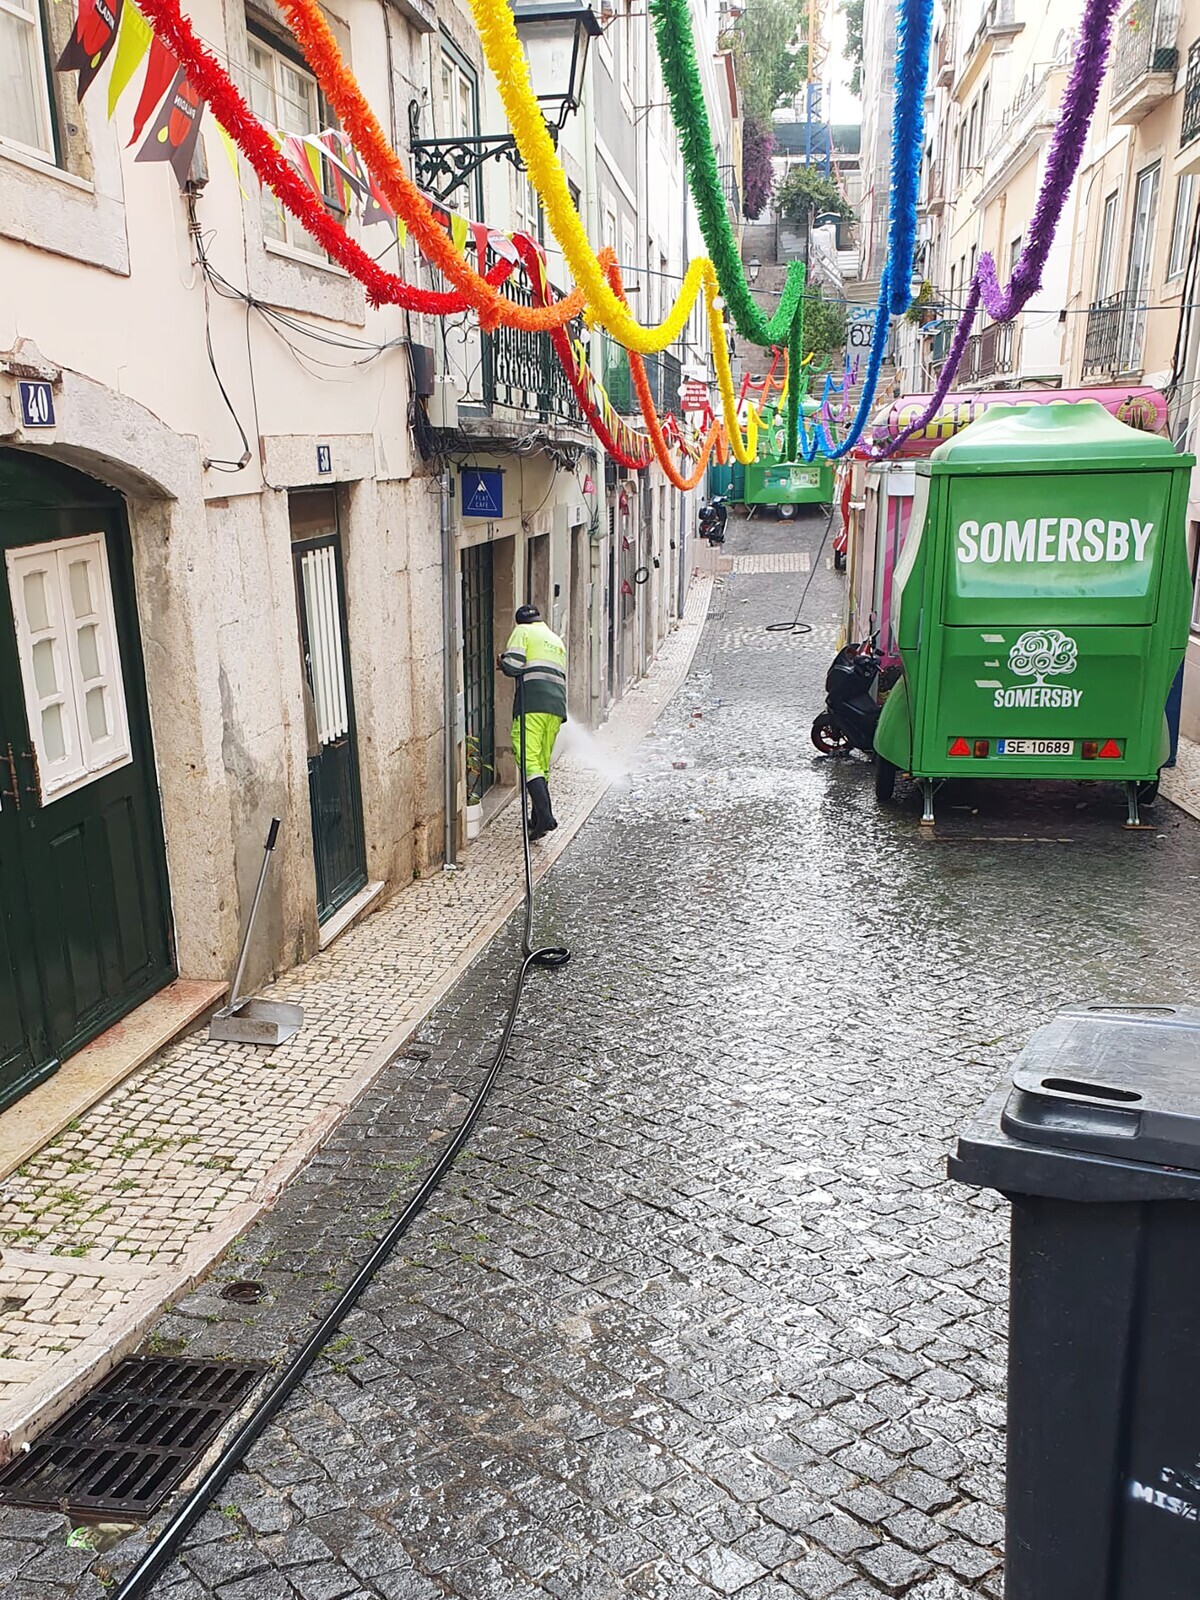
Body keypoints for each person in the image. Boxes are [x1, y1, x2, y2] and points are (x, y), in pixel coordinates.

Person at [499, 604, 567, 840]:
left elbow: (513, 665)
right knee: (540, 762)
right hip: (556, 708)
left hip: (533, 705)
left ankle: (546, 816)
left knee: (528, 758)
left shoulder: (523, 632)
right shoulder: (555, 639)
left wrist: (502, 661)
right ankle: (537, 819)